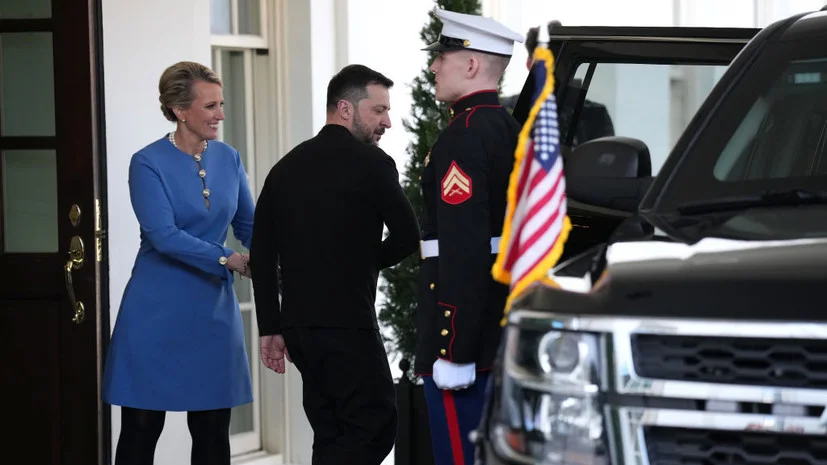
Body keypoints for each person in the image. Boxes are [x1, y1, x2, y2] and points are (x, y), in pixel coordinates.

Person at [249, 64, 420, 465]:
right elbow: (408, 236)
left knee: (330, 430)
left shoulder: (284, 168)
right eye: (378, 111)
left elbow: (261, 254)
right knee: (375, 426)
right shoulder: (374, 165)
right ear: (345, 108)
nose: (387, 122)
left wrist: (270, 328)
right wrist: (363, 265)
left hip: (299, 329)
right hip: (349, 325)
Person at [101, 61, 256, 465]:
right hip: (155, 313)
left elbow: (250, 226)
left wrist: (278, 258)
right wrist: (227, 258)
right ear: (179, 110)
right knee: (141, 430)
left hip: (212, 315)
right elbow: (163, 235)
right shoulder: (147, 162)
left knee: (211, 433)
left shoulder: (229, 158)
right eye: (210, 106)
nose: (221, 114)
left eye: (221, 104)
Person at [414, 9, 524, 465]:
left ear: (472, 65)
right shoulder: (506, 128)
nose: (435, 66)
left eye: (443, 56)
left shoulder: (463, 136)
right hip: (497, 326)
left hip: (467, 342)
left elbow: (462, 248)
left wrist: (451, 345)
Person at [502, 21, 615, 146]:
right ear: (529, 65)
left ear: (568, 65)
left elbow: (603, 160)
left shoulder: (595, 115)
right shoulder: (507, 110)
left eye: (557, 61)